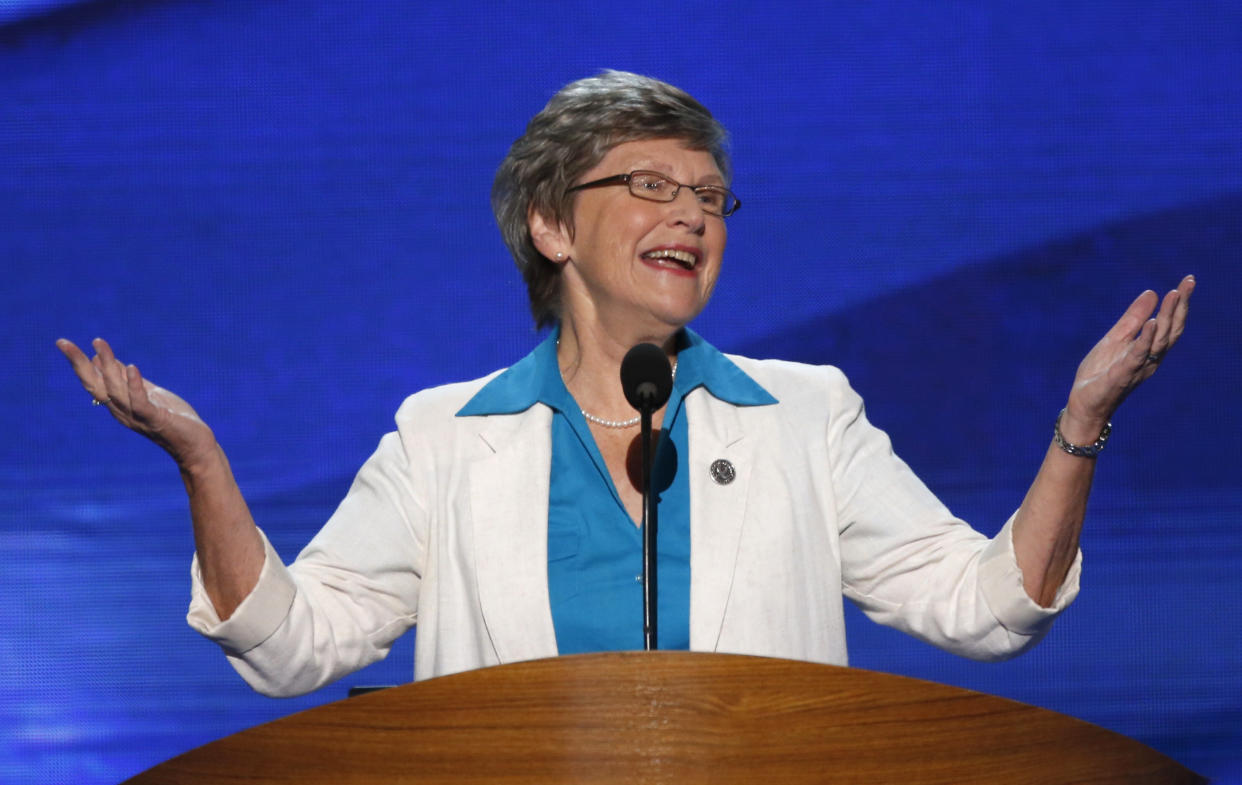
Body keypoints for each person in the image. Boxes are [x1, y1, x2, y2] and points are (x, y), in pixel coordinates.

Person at [57, 70, 1194, 697]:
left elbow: (985, 608)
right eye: (650, 185)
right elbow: (294, 643)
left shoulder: (804, 413)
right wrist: (202, 460)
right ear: (551, 221)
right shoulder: (447, 435)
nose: (692, 213)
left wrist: (1079, 425)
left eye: (709, 195)